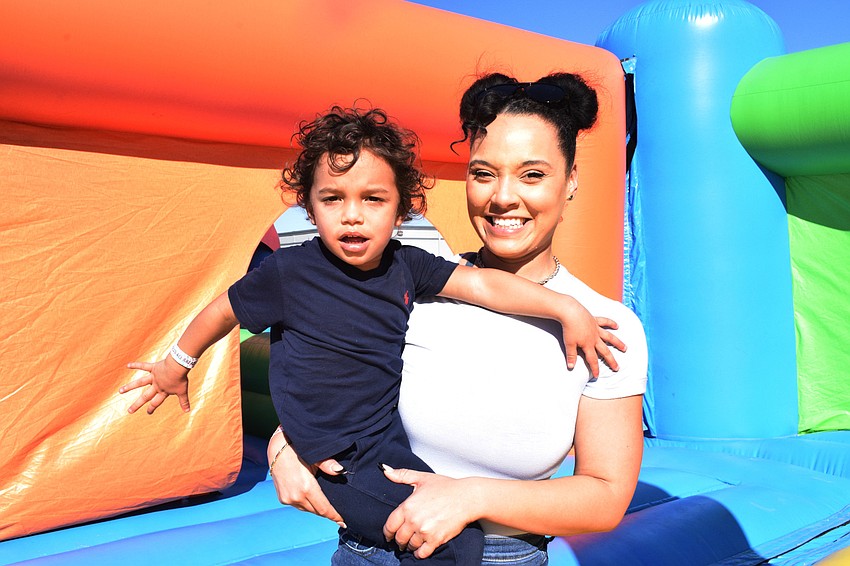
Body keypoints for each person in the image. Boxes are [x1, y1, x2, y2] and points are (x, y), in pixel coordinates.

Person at [119, 105, 625, 566]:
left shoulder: (409, 268)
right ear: (309, 208)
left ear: (401, 209)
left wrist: (563, 307)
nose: (353, 215)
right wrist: (179, 367)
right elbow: (222, 311)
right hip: (343, 460)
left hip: (387, 452)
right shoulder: (291, 273)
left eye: (373, 199)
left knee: (454, 539)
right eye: (332, 199)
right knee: (451, 545)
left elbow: (481, 284)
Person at [268, 73, 648, 565]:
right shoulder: (407, 286)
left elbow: (605, 495)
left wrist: (471, 497)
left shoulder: (604, 326)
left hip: (498, 554)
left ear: (571, 179)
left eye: (532, 175)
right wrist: (285, 444)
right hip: (370, 547)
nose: (503, 197)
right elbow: (325, 377)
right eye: (484, 173)